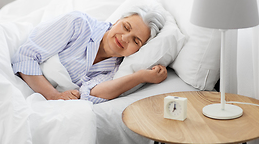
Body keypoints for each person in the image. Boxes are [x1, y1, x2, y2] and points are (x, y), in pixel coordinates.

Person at [11, 6, 167, 104]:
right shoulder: (78, 24)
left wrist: (141, 77)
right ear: (117, 20)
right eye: (126, 27)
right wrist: (54, 95)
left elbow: (91, 94)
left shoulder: (116, 68)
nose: (125, 38)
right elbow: (26, 57)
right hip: (18, 80)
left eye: (136, 41)